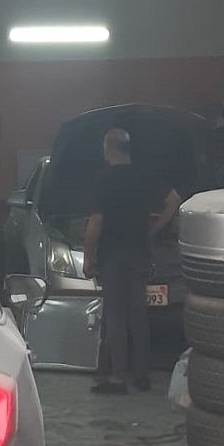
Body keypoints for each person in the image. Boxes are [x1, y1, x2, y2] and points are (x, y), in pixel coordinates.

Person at [83, 129, 181, 395]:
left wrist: (88, 255)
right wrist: (154, 230)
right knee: (139, 315)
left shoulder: (104, 180)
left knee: (116, 316)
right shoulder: (144, 175)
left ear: (109, 149)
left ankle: (118, 378)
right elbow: (173, 201)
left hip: (113, 255)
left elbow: (96, 221)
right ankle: (141, 376)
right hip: (140, 253)